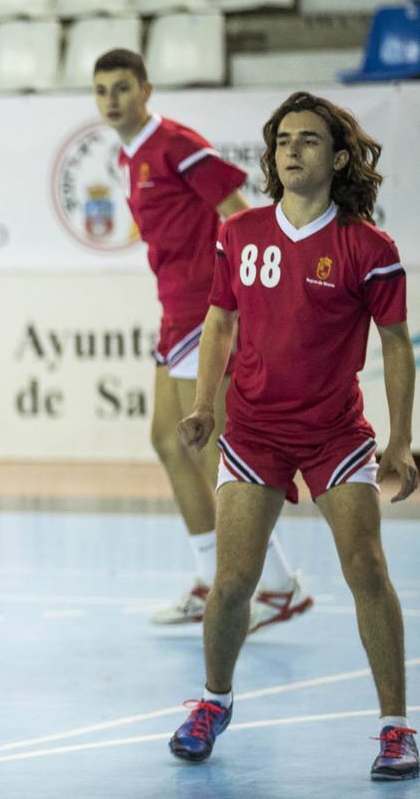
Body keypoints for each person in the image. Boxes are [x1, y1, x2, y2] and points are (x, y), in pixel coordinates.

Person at [169, 91, 416, 780]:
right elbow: (219, 320)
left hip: (336, 434)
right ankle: (211, 704)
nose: (291, 151)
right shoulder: (240, 233)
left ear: (337, 158)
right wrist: (203, 405)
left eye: (308, 140)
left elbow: (397, 345)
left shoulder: (368, 247)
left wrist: (398, 441)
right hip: (253, 432)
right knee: (231, 583)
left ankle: (396, 728)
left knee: (366, 570)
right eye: (282, 140)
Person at [93, 49, 312, 631]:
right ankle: (210, 578)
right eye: (102, 90)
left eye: (122, 87)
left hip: (203, 308)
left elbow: (239, 215)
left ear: (146, 89)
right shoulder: (125, 155)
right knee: (168, 441)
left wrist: (255, 298)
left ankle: (275, 584)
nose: (112, 99)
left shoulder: (177, 144)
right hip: (173, 310)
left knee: (213, 448)